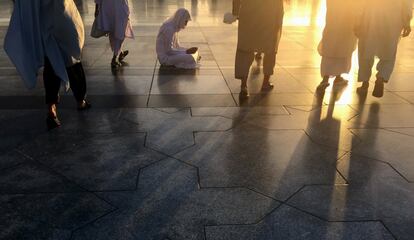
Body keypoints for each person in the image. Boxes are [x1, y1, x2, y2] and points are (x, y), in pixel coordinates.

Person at [4, 0, 90, 130]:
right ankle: (80, 100)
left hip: (44, 18)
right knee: (71, 56)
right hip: (61, 14)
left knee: (52, 59)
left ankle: (52, 107)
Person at [356, 0, 413, 98]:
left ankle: (365, 83)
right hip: (394, 17)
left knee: (366, 49)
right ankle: (381, 77)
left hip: (371, 15)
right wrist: (407, 22)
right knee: (389, 51)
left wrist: (357, 18)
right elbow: (407, 3)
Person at [232, 0, 285, 99]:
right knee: (270, 46)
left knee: (246, 47)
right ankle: (265, 82)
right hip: (270, 11)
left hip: (249, 11)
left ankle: (243, 85)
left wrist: (235, 12)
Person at [316, 0, 360, 92]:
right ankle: (338, 76)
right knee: (344, 49)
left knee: (330, 48)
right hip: (347, 25)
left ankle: (326, 78)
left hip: (333, 24)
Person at [94, 0, 134, 68]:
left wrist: (97, 8)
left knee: (114, 31)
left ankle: (120, 53)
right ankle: (115, 58)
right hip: (119, 7)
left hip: (108, 7)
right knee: (120, 30)